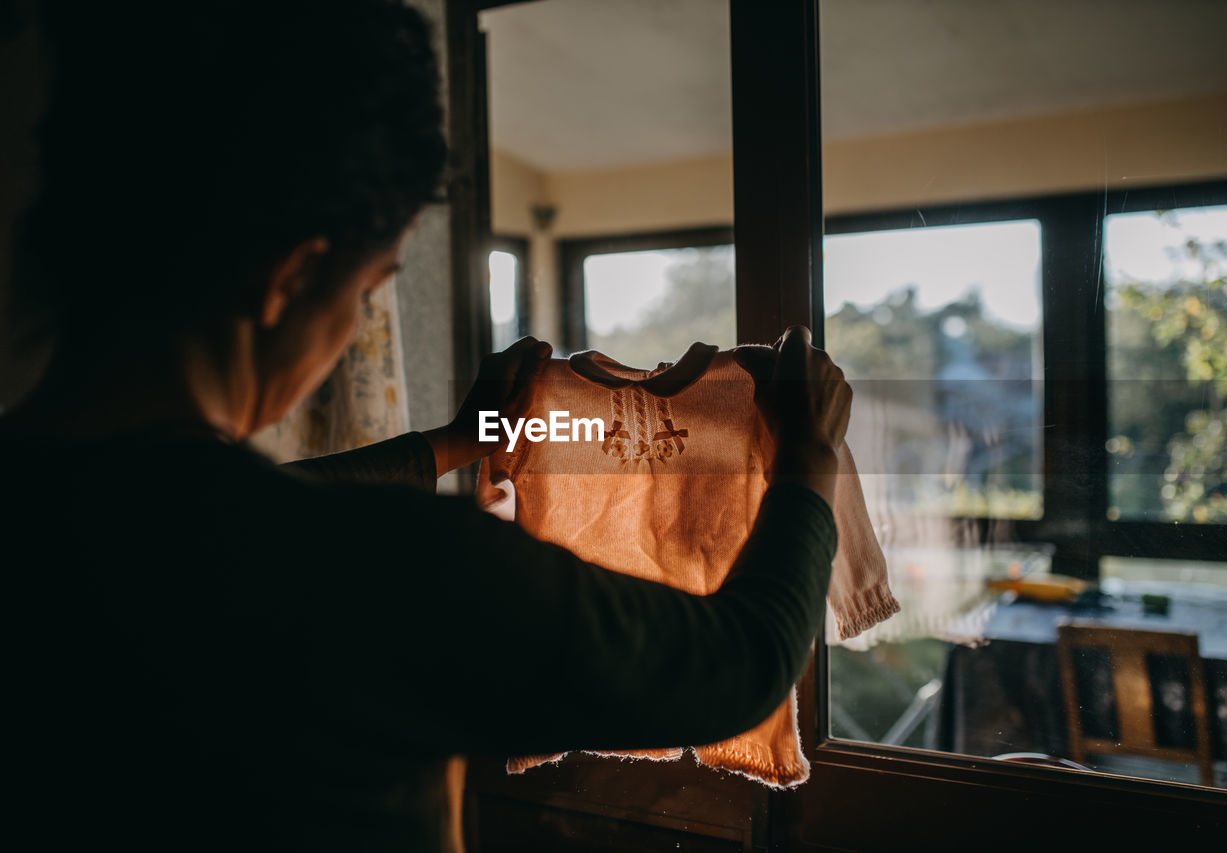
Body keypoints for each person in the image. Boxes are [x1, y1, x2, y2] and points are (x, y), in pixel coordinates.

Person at [2, 2, 853, 850]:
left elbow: (261, 504)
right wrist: (807, 461)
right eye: (368, 284)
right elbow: (734, 665)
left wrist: (459, 441)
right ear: (290, 279)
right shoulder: (391, 567)